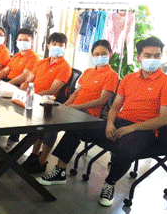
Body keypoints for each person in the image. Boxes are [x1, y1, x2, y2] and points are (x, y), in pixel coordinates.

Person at [49, 36, 167, 206]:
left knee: (125, 149)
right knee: (77, 128)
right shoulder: (128, 79)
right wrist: (110, 123)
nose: (152, 59)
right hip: (120, 122)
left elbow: (163, 119)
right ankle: (60, 171)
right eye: (148, 55)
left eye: (157, 56)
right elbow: (115, 106)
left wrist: (131, 129)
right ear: (139, 58)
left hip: (145, 130)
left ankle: (110, 184)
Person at [22, 40, 119, 176]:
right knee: (45, 116)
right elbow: (76, 92)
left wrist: (76, 107)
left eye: (104, 53)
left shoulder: (111, 75)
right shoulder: (88, 71)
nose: (100, 56)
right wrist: (66, 104)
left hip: (89, 113)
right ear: (92, 55)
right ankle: (34, 155)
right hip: (74, 108)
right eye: (96, 54)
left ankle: (42, 161)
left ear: (110, 54)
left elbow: (102, 100)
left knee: (52, 122)